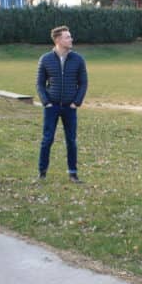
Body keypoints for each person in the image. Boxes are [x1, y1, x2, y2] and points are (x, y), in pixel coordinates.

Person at [36, 25, 88, 182]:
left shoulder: (78, 59)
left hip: (69, 107)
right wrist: (46, 102)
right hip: (52, 107)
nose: (71, 39)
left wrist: (76, 103)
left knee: (71, 140)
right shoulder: (45, 59)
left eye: (70, 36)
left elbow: (83, 83)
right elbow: (40, 84)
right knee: (47, 139)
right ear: (58, 40)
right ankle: (42, 172)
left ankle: (73, 173)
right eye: (67, 37)